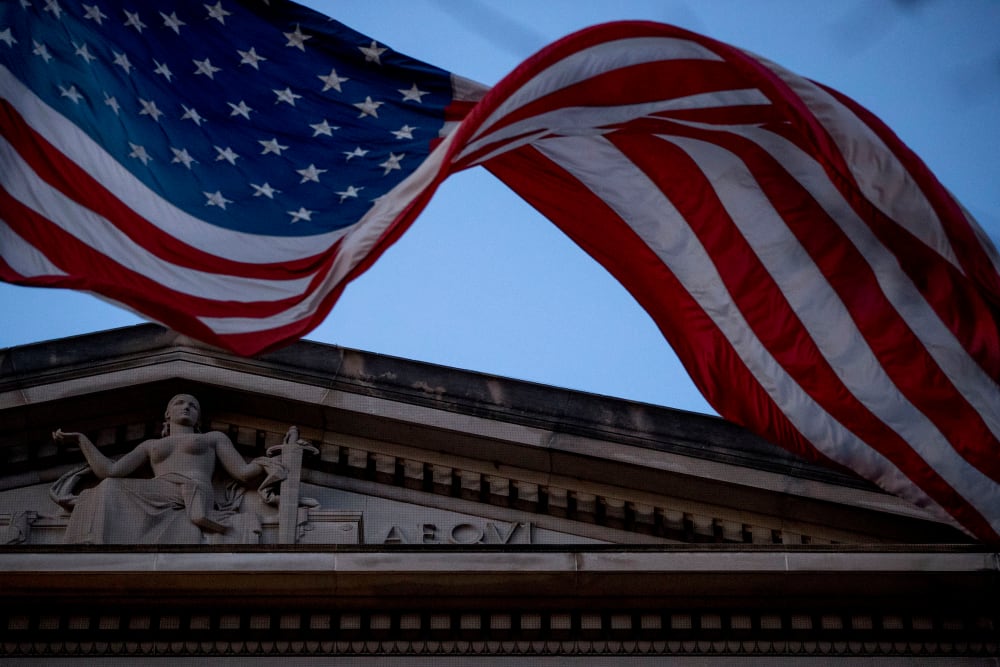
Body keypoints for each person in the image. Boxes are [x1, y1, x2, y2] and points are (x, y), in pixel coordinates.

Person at [53, 393, 285, 544]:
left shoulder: (213, 438)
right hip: (158, 491)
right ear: (168, 413)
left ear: (198, 418)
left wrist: (269, 462)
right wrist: (81, 440)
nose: (186, 407)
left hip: (193, 488)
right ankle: (94, 544)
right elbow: (110, 472)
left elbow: (243, 473)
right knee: (108, 487)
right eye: (179, 403)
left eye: (193, 406)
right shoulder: (151, 445)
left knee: (110, 489)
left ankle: (204, 518)